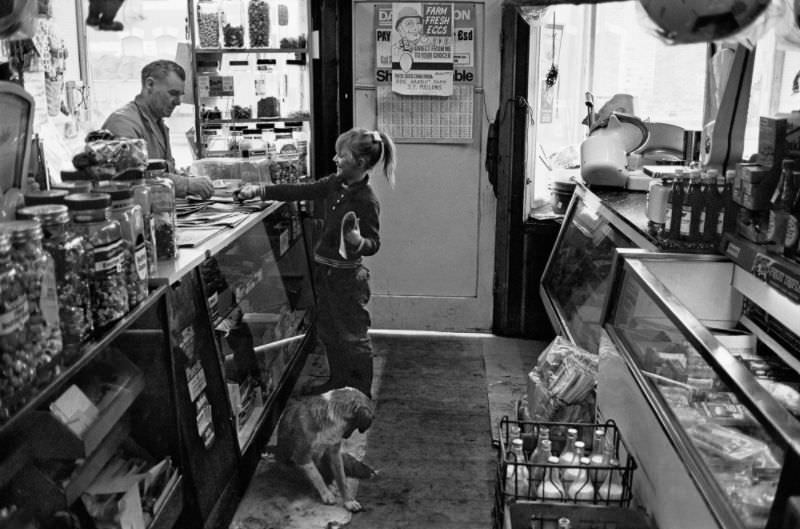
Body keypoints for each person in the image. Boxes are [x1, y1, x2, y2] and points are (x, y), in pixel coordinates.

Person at [236, 128, 397, 398]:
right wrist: (261, 190)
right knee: (330, 333)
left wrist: (359, 242)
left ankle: (359, 394)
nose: (335, 159)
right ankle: (337, 383)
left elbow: (374, 244)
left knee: (352, 337)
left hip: (348, 279)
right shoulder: (335, 184)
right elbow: (302, 189)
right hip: (325, 273)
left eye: (341, 156)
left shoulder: (366, 200)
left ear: (358, 163)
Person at [102, 60, 213, 198]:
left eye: (180, 95)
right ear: (150, 85)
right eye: (173, 93)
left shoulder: (158, 123)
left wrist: (188, 177)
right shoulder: (123, 123)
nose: (178, 102)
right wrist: (187, 184)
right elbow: (134, 180)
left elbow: (165, 171)